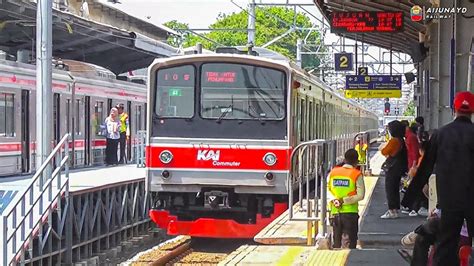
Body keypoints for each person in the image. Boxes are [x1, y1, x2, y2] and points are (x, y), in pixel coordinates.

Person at [403, 91, 474, 265]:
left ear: (454, 109)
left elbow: (425, 167)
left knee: (446, 245)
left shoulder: (441, 134)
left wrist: (409, 198)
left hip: (449, 201)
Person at [328, 149, 365, 249]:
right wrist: (343, 201)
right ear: (356, 161)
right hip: (350, 213)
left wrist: (335, 200)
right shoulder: (356, 174)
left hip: (335, 212)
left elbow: (328, 190)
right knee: (349, 244)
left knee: (336, 242)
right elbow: (361, 195)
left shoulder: (333, 172)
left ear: (344, 159)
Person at [380, 120, 408, 219]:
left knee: (390, 189)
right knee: (395, 188)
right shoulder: (401, 140)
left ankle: (392, 210)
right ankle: (395, 209)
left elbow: (384, 151)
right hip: (399, 168)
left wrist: (384, 147)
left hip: (392, 168)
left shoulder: (394, 141)